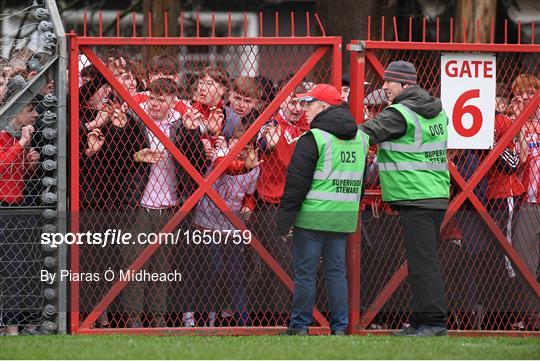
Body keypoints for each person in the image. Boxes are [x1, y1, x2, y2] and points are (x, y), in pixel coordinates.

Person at [359, 61, 450, 337]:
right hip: (432, 192)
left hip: (416, 194)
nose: (384, 87)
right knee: (420, 259)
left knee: (423, 261)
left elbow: (366, 131)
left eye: (390, 82)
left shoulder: (400, 113)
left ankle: (433, 322)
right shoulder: (436, 110)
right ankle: (422, 321)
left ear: (406, 85)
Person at [276, 84, 369, 335]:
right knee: (336, 273)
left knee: (305, 273)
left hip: (313, 215)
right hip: (343, 217)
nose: (304, 109)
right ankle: (340, 328)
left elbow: (296, 185)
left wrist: (284, 222)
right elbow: (360, 181)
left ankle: (299, 326)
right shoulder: (361, 137)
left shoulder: (314, 138)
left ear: (324, 107)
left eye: (309, 103)